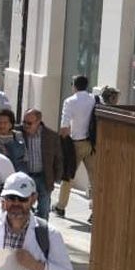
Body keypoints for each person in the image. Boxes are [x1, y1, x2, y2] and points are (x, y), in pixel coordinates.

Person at [54, 74, 97, 218]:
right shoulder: (94, 99)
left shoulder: (69, 101)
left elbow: (64, 127)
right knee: (94, 178)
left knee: (68, 175)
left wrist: (61, 145)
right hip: (92, 144)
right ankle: (94, 211)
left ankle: (61, 206)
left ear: (74, 85)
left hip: (75, 144)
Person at [18, 109, 64, 221]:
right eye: (24, 122)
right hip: (25, 177)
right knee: (23, 208)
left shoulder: (51, 136)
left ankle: (41, 234)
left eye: (29, 123)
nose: (25, 125)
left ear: (38, 121)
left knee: (43, 211)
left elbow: (58, 158)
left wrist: (56, 177)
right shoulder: (18, 133)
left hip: (44, 177)